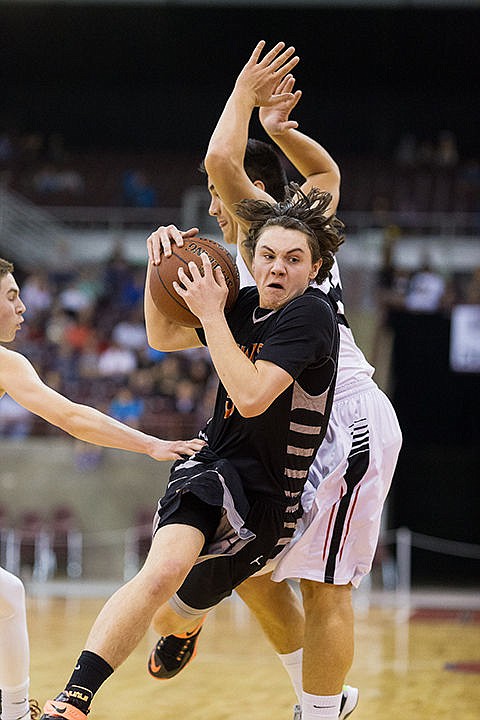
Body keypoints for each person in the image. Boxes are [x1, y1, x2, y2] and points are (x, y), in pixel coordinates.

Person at [147, 41, 402, 720]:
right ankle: (317, 698)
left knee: (326, 586)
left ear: (254, 193)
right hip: (277, 421)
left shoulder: (273, 230)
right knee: (253, 567)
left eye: (217, 193)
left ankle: (321, 712)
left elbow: (222, 159)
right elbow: (326, 170)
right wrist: (285, 131)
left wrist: (244, 94)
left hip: (338, 414)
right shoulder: (251, 256)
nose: (213, 197)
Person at [38, 180, 344, 720]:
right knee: (159, 574)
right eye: (268, 255)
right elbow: (161, 337)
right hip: (212, 466)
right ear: (252, 259)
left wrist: (209, 314)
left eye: (293, 260)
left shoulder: (312, 316)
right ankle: (74, 700)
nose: (277, 268)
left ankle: (191, 625)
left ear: (314, 269)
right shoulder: (243, 304)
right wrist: (160, 270)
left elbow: (250, 397)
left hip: (269, 501)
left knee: (171, 619)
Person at [0, 257, 204, 720]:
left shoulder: (8, 364)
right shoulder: (3, 362)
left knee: (8, 596)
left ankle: (12, 712)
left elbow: (74, 416)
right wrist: (150, 443)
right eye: (11, 297)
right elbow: (72, 417)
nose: (23, 307)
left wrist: (150, 443)